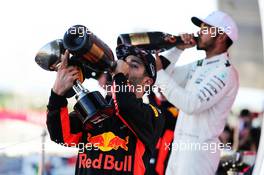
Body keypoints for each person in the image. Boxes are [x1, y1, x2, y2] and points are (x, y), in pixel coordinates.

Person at [46, 45, 164, 175]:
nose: (125, 67)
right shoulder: (97, 107)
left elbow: (125, 106)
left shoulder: (153, 115)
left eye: (134, 65)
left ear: (147, 82)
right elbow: (60, 135)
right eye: (124, 63)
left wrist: (119, 76)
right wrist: (57, 94)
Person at [155, 11, 239, 175]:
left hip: (199, 153)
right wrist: (177, 49)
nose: (199, 32)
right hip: (180, 146)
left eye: (206, 28)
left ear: (221, 36)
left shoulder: (226, 72)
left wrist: (159, 73)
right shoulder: (199, 64)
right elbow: (162, 84)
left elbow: (191, 104)